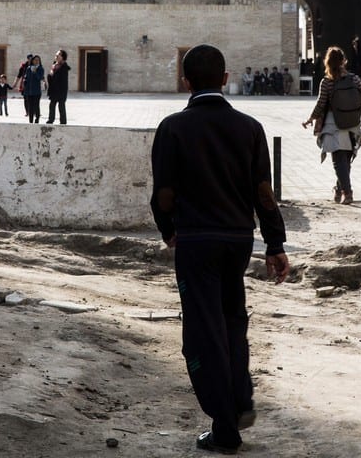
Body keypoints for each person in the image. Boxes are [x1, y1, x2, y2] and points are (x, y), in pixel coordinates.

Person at [150, 44, 289, 455]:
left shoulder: (173, 128)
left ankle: (224, 426)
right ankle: (241, 397)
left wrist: (168, 231)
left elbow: (164, 194)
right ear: (225, 78)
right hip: (237, 240)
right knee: (232, 320)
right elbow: (263, 192)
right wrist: (275, 243)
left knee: (202, 331)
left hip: (196, 241)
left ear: (186, 81)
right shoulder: (249, 128)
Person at [302, 46, 361, 204]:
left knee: (338, 159)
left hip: (333, 124)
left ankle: (347, 193)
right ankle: (338, 189)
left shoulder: (327, 82)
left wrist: (310, 119)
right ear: (344, 61)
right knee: (346, 160)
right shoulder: (355, 79)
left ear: (327, 62)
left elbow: (320, 104)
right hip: (353, 123)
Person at [46, 49, 70, 124]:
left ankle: (63, 121)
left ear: (62, 57)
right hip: (53, 89)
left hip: (61, 90)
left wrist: (53, 74)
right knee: (52, 105)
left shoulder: (64, 67)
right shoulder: (54, 65)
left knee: (61, 106)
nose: (56, 56)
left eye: (58, 55)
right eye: (56, 55)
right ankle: (51, 119)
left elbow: (61, 80)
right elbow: (51, 77)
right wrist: (50, 74)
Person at [22, 55, 45, 123]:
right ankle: (30, 121)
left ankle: (37, 118)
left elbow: (40, 78)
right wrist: (24, 82)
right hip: (29, 91)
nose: (36, 61)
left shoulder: (41, 69)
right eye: (35, 60)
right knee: (30, 106)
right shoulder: (29, 68)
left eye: (38, 60)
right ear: (32, 61)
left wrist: (35, 72)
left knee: (36, 106)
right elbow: (26, 77)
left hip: (37, 91)